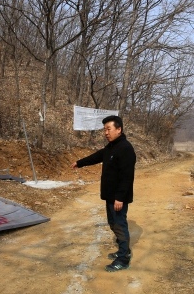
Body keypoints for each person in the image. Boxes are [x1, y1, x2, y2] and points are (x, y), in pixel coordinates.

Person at [71, 115, 136, 272]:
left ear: (119, 129)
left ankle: (123, 259)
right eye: (104, 130)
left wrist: (120, 197)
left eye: (109, 129)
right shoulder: (111, 147)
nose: (106, 133)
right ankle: (123, 250)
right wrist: (79, 163)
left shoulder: (126, 149)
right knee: (113, 224)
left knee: (120, 225)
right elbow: (97, 156)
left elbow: (127, 177)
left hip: (118, 198)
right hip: (109, 196)